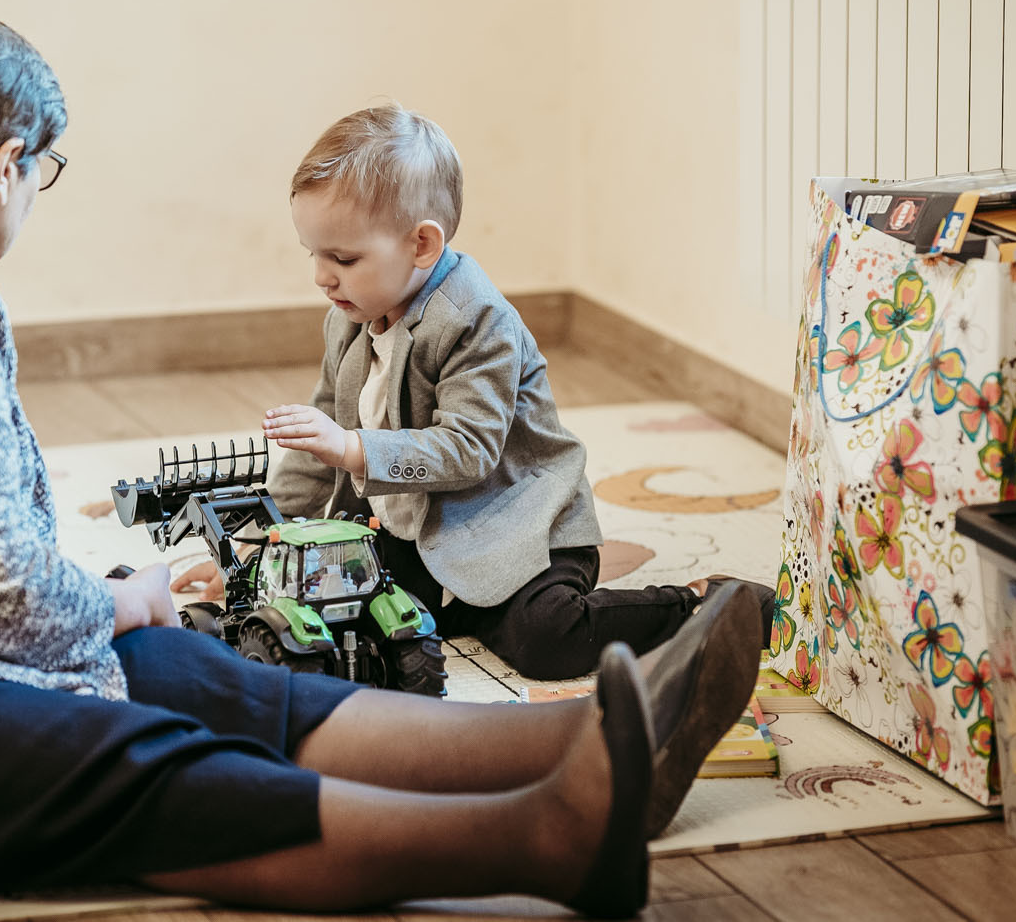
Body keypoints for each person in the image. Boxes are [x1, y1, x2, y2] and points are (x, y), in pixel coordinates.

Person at [0, 8, 754, 916]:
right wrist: (111, 597)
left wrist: (111, 610)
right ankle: (543, 832)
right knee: (129, 758)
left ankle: (569, 741)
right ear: (5, 162)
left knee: (158, 659)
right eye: (41, 172)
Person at [243, 104, 769, 836]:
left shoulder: (475, 320)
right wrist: (267, 539)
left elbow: (468, 449)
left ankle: (702, 606)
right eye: (314, 254)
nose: (321, 277)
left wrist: (356, 448)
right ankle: (445, 597)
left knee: (543, 639)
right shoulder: (350, 315)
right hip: (418, 520)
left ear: (422, 243)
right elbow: (317, 438)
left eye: (343, 258)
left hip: (520, 525)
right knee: (342, 601)